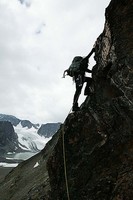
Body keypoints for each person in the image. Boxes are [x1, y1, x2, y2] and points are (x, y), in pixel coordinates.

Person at [63, 47, 95, 111]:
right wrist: (92, 51)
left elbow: (86, 70)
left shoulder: (79, 65)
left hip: (78, 78)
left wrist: (92, 71)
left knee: (88, 81)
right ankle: (74, 106)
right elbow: (88, 57)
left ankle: (86, 91)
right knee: (78, 91)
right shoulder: (82, 62)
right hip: (80, 78)